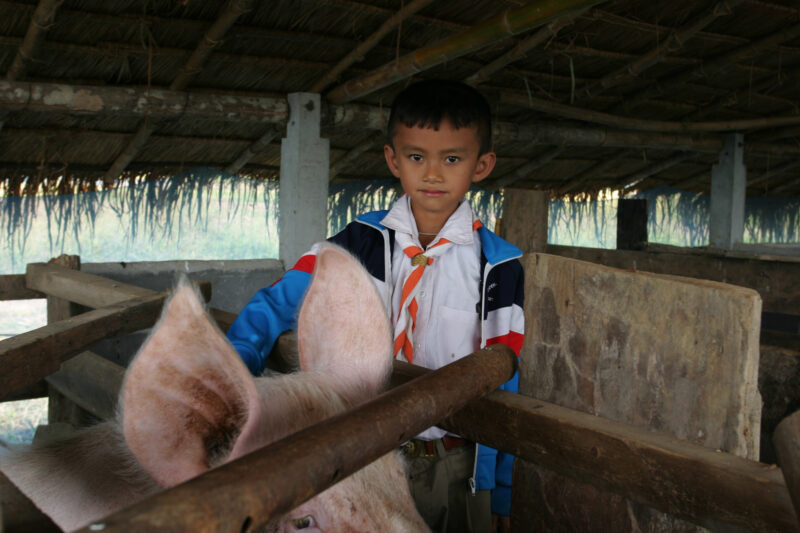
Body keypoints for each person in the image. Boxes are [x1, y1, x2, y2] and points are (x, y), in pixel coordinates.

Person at [226, 79, 524, 533]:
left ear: (481, 165)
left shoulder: (499, 266)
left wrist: (499, 487)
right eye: (416, 156)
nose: (432, 173)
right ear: (393, 159)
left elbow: (507, 377)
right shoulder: (356, 243)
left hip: (458, 464)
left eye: (452, 158)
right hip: (368, 461)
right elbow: (278, 301)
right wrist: (234, 384)